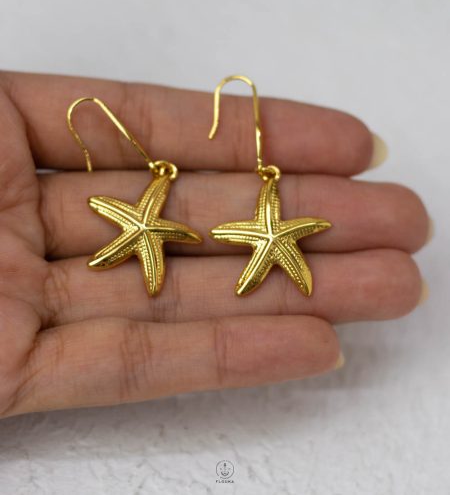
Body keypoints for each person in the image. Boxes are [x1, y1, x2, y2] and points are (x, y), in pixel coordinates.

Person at [0, 71, 430, 418]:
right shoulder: (145, 224)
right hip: (168, 225)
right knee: (149, 239)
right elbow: (128, 218)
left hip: (229, 228)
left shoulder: (258, 230)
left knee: (257, 254)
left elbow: (282, 231)